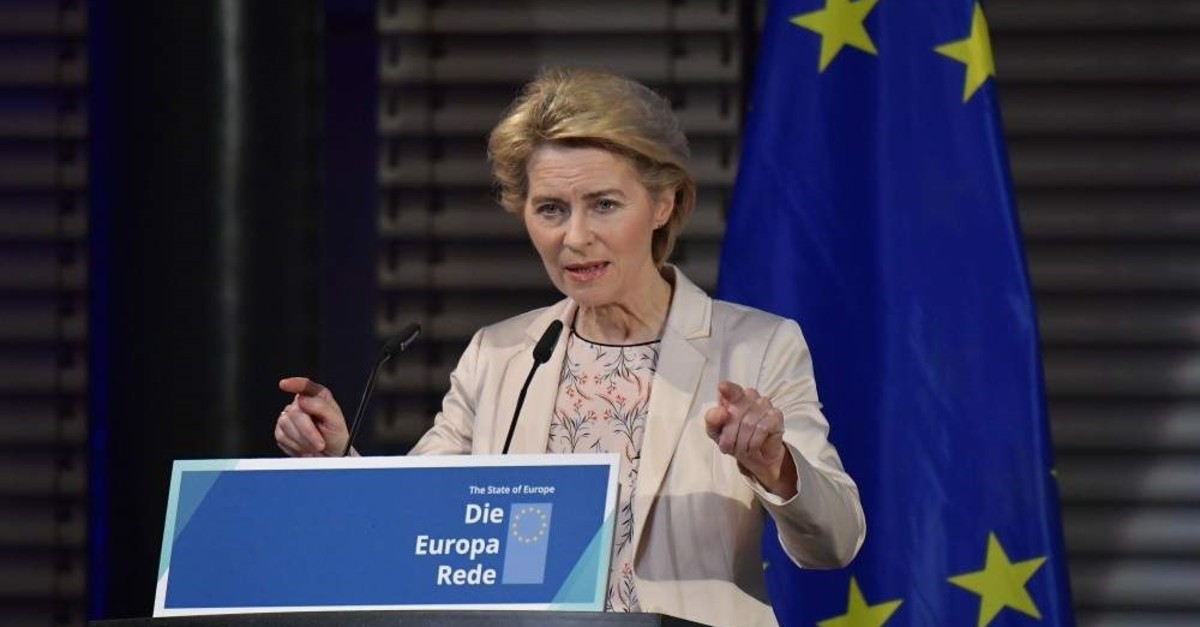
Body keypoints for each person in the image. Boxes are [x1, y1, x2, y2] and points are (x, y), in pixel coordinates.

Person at [274, 68, 864, 627]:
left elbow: (835, 543)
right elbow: (426, 531)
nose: (575, 237)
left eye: (604, 204)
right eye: (550, 209)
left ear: (663, 204)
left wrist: (773, 464)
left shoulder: (756, 346)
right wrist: (338, 461)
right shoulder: (499, 355)